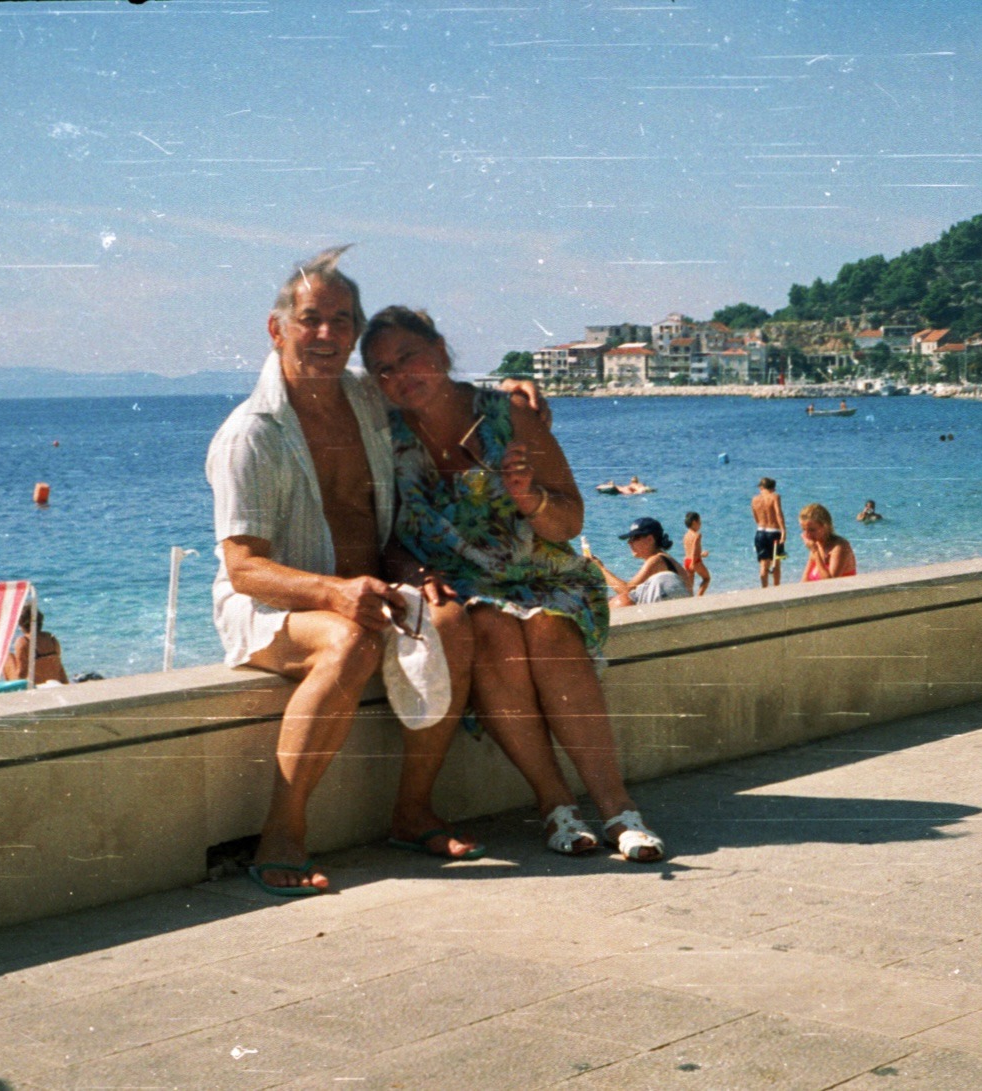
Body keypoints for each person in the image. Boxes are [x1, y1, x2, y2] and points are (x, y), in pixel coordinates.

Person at [205, 248, 483, 897]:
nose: (326, 334)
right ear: (277, 329)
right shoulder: (252, 433)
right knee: (348, 638)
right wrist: (335, 592)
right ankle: (282, 831)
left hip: (364, 589)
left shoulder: (364, 401)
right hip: (274, 603)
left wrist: (517, 397)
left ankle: (412, 811)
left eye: (341, 319)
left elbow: (438, 395)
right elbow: (243, 568)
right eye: (310, 319)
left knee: (449, 620)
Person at [362, 304, 665, 864]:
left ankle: (620, 809)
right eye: (382, 370)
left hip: (543, 574)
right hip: (462, 586)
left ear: (442, 351)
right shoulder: (382, 435)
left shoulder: (509, 416)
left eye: (409, 357)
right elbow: (379, 530)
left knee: (549, 630)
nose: (399, 376)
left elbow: (570, 522)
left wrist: (531, 499)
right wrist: (410, 570)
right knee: (495, 632)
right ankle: (557, 807)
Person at [593, 516, 693, 607]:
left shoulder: (657, 560)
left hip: (677, 612)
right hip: (682, 609)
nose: (629, 542)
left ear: (650, 539)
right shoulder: (664, 558)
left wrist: (601, 569)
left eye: (634, 538)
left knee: (620, 602)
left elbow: (626, 590)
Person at [2, 605, 69, 686]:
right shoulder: (52, 638)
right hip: (54, 681)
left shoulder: (24, 642)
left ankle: (11, 691)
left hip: (33, 685)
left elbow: (21, 673)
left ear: (21, 623)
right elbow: (59, 667)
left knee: (6, 656)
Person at [799, 503, 856, 581]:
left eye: (812, 530)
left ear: (825, 526)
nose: (807, 534)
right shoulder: (817, 544)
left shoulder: (839, 547)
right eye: (804, 530)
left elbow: (830, 583)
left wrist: (815, 551)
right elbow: (805, 579)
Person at [751, 477, 785, 587]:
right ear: (773, 488)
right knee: (776, 562)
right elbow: (778, 514)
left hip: (760, 532)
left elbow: (755, 517)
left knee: (763, 563)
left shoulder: (754, 499)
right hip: (774, 531)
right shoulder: (775, 497)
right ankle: (776, 588)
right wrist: (783, 531)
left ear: (761, 487)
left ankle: (764, 589)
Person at [682, 511, 711, 596]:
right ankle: (699, 597)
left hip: (687, 561)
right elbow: (694, 550)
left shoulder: (686, 535)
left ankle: (689, 599)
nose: (700, 524)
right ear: (694, 522)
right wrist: (694, 562)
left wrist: (701, 554)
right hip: (695, 561)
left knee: (690, 586)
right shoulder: (697, 535)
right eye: (700, 522)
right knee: (706, 578)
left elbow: (689, 551)